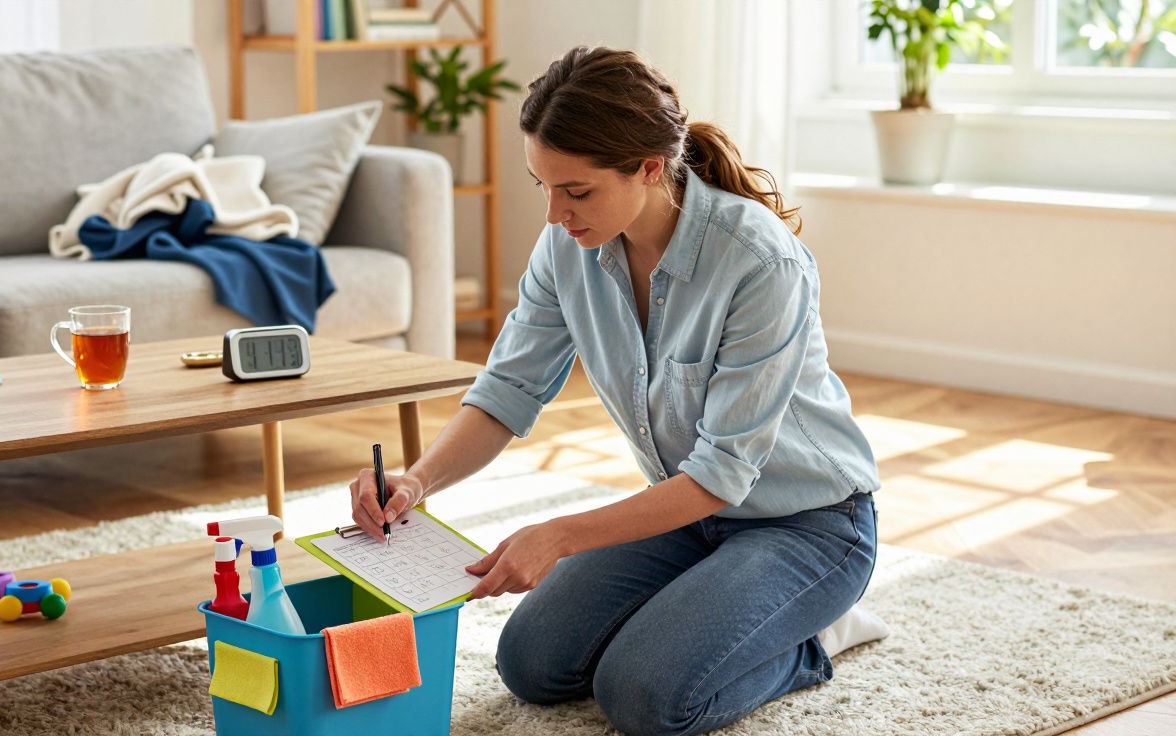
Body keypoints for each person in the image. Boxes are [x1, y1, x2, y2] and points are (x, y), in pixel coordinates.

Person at [348, 46, 889, 736]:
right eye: (542, 186)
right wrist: (416, 482)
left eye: (576, 191)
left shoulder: (758, 261)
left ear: (650, 168)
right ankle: (710, 608)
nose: (554, 214)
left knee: (645, 698)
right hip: (685, 517)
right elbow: (509, 389)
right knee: (531, 664)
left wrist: (560, 536)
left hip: (808, 526)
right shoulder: (568, 247)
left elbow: (722, 472)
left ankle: (814, 637)